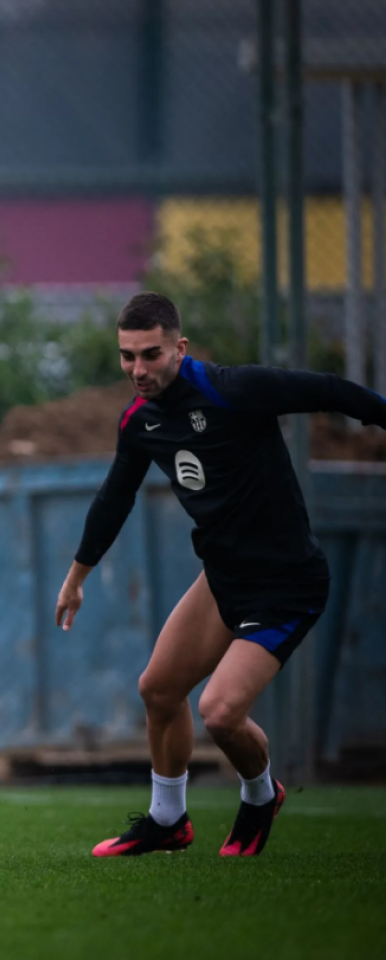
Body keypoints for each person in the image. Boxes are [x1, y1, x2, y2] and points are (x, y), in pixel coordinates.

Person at [57, 292, 386, 858]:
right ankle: (168, 820)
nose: (137, 369)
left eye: (151, 355)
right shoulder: (140, 422)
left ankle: (260, 795)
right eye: (127, 356)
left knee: (220, 713)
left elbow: (330, 389)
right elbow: (115, 498)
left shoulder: (235, 390)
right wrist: (76, 576)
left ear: (180, 349)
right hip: (223, 579)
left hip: (287, 584)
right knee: (158, 690)